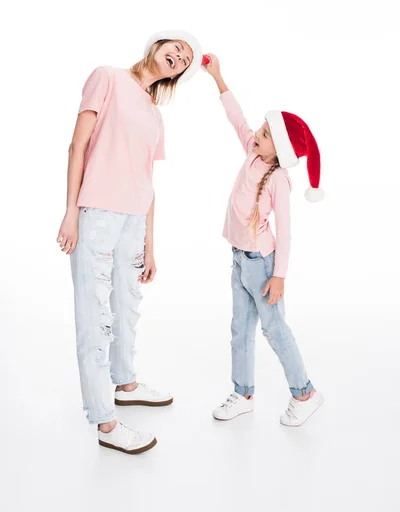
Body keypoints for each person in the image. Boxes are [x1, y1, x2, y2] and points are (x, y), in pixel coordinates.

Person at [57, 31, 203, 454]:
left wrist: (150, 243)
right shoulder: (107, 77)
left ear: (179, 75)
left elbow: (147, 179)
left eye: (186, 59)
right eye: (176, 47)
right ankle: (105, 422)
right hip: (97, 213)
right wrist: (71, 211)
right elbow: (77, 145)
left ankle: (126, 383)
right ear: (157, 45)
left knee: (127, 304)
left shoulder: (156, 114)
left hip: (134, 221)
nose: (179, 56)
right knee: (94, 316)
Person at [204, 54, 324, 427]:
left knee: (274, 328)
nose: (256, 134)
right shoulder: (251, 152)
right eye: (261, 128)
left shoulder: (278, 181)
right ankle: (243, 393)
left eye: (266, 134)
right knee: (240, 328)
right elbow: (236, 118)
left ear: (281, 150)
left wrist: (280, 276)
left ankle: (305, 393)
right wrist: (218, 78)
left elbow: (285, 232)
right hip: (240, 259)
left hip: (263, 265)